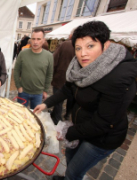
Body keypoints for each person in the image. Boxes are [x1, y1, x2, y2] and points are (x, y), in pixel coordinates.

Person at [33, 21, 137, 180]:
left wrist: (68, 132)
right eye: (78, 48)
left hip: (102, 138)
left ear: (106, 45)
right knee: (69, 154)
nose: (83, 54)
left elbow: (103, 122)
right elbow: (68, 89)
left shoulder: (118, 79)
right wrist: (46, 103)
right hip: (82, 125)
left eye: (90, 46)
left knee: (75, 171)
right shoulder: (79, 68)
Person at [14, 27, 53, 109]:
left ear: (43, 40)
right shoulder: (23, 54)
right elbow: (16, 71)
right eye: (33, 39)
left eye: (38, 39)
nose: (35, 42)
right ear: (31, 39)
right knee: (21, 115)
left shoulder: (49, 56)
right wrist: (18, 86)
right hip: (23, 92)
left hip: (38, 94)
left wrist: (45, 90)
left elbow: (49, 75)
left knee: (35, 116)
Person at [50, 31, 75, 125]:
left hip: (61, 77)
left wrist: (52, 74)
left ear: (70, 36)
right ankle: (67, 114)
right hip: (73, 80)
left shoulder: (65, 44)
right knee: (70, 99)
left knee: (58, 101)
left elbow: (54, 59)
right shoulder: (80, 46)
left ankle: (56, 120)